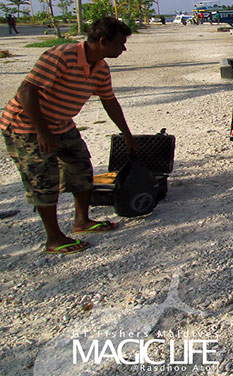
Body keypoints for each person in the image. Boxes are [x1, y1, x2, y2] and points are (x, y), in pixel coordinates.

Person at [0, 17, 138, 254]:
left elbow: (110, 102)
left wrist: (127, 134)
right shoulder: (62, 56)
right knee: (43, 178)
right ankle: (53, 238)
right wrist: (42, 132)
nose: (123, 49)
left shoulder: (101, 67)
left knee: (81, 167)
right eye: (120, 44)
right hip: (27, 125)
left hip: (62, 124)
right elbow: (27, 90)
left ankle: (82, 221)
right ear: (103, 41)